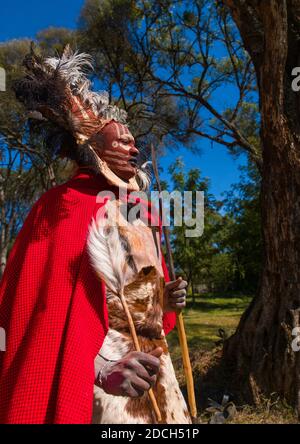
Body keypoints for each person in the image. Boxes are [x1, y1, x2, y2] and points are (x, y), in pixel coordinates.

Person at [0, 46, 188, 424]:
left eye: (134, 141)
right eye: (120, 140)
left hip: (157, 367)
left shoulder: (143, 212)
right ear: (92, 147)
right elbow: (42, 314)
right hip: (100, 378)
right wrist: (101, 369)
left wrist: (162, 300)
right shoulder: (62, 205)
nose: (133, 147)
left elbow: (137, 299)